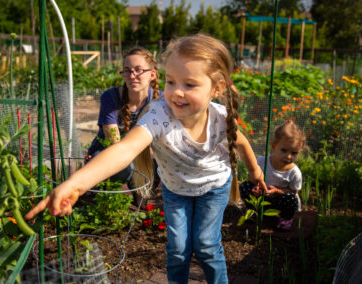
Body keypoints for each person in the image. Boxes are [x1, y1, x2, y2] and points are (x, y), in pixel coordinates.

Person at [26, 33, 267, 284]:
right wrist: (74, 184)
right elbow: (123, 150)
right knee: (178, 250)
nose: (176, 92)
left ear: (216, 88)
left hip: (213, 187)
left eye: (190, 84)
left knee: (206, 245)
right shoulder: (159, 115)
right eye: (171, 82)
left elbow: (241, 143)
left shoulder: (220, 118)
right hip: (175, 189)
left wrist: (255, 173)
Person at [85, 46, 162, 186]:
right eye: (127, 70)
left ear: (152, 75)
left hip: (145, 157)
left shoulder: (161, 101)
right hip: (107, 154)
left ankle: (144, 201)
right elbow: (114, 143)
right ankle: (111, 195)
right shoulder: (111, 98)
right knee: (124, 168)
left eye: (138, 70)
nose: (132, 76)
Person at [239, 121, 305, 231]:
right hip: (261, 198)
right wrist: (256, 187)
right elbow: (252, 178)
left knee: (291, 199)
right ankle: (252, 210)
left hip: (278, 202)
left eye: (294, 153)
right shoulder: (261, 161)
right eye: (284, 150)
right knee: (245, 186)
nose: (288, 156)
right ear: (274, 146)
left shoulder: (294, 172)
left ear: (300, 152)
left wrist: (277, 190)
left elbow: (294, 191)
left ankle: (285, 218)